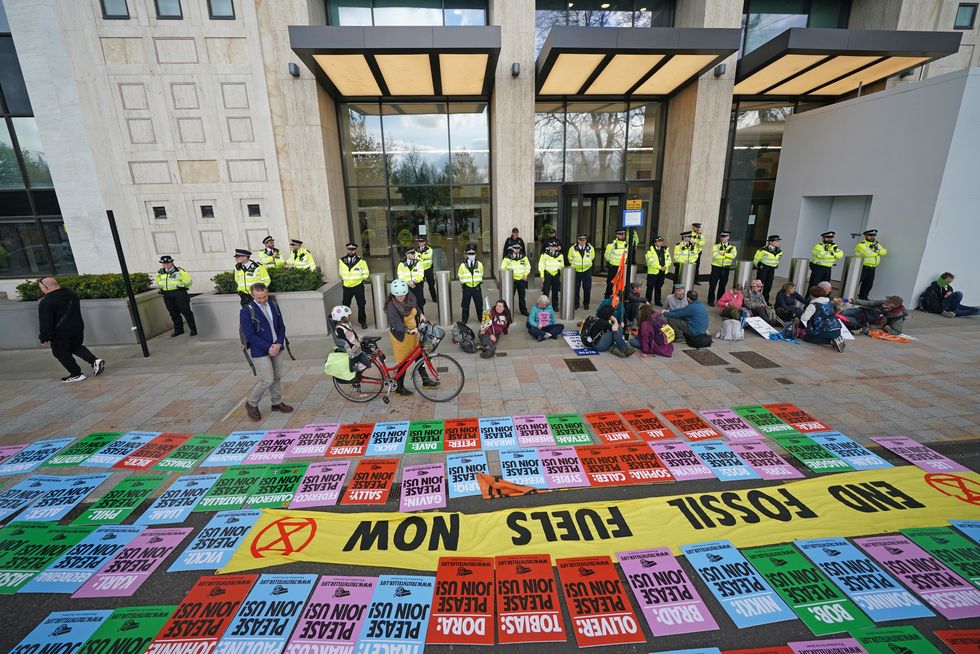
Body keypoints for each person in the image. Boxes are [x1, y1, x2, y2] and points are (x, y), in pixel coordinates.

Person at [240, 283, 293, 420]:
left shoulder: (274, 304)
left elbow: (281, 326)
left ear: (267, 292)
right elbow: (250, 335)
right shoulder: (246, 311)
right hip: (261, 350)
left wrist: (279, 343)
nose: (263, 300)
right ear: (252, 295)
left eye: (265, 297)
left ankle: (276, 403)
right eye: (259, 298)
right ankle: (251, 403)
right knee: (267, 379)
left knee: (277, 376)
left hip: (277, 347)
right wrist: (269, 347)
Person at [37, 277, 105, 383]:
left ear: (46, 287)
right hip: (78, 328)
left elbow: (46, 321)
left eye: (40, 287)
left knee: (60, 353)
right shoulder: (71, 294)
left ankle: (76, 374)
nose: (40, 289)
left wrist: (44, 337)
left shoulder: (47, 301)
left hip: (60, 332)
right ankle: (94, 361)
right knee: (75, 346)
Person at [385, 279, 436, 396]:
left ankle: (426, 380)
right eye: (397, 295)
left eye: (403, 294)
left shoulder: (409, 298)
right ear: (393, 294)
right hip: (401, 336)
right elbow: (396, 323)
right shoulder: (392, 306)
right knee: (404, 361)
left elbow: (415, 306)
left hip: (413, 334)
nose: (401, 297)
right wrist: (408, 330)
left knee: (418, 356)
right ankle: (399, 386)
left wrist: (421, 314)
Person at [156, 255, 196, 337]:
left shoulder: (180, 271)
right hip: (167, 294)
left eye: (168, 263)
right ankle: (179, 330)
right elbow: (158, 282)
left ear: (172, 262)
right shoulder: (160, 272)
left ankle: (194, 329)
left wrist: (180, 285)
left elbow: (188, 281)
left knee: (186, 312)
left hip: (179, 293)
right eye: (164, 263)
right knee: (173, 313)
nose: (166, 265)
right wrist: (160, 288)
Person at [801, 285, 845, 352]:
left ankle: (831, 341)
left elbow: (804, 318)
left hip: (824, 330)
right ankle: (838, 338)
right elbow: (835, 311)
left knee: (807, 338)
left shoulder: (813, 305)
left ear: (813, 295)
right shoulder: (829, 302)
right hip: (837, 328)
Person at [329, 305, 371, 374]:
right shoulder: (339, 328)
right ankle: (355, 363)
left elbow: (352, 331)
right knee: (354, 354)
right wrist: (351, 345)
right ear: (341, 317)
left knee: (361, 350)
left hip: (353, 341)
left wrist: (357, 337)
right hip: (348, 345)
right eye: (347, 315)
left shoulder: (347, 323)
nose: (349, 317)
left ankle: (362, 359)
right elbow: (343, 339)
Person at [338, 242, 370, 329]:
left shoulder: (361, 261)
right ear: (347, 250)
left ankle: (363, 322)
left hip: (358, 286)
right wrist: (345, 280)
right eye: (349, 249)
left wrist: (361, 280)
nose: (351, 251)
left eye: (353, 249)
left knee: (361, 304)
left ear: (355, 250)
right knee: (345, 305)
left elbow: (366, 272)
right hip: (347, 286)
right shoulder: (341, 260)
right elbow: (341, 272)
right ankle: (345, 322)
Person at [842, 296, 908, 335]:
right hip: (860, 312)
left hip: (863, 322)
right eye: (886, 300)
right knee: (842, 313)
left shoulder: (897, 317)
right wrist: (851, 301)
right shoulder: (882, 303)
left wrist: (885, 326)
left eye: (888, 302)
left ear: (894, 305)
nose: (885, 302)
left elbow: (897, 331)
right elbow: (869, 303)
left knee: (843, 319)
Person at [854, 229, 887, 300]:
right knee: (856, 283)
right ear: (865, 236)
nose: (872, 237)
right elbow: (868, 254)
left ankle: (863, 298)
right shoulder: (861, 245)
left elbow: (884, 251)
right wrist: (878, 251)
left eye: (874, 235)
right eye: (870, 235)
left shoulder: (876, 244)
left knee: (868, 284)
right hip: (862, 267)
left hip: (872, 267)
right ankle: (850, 297)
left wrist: (876, 251)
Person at [707, 231, 737, 306]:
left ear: (728, 237)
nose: (722, 238)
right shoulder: (716, 246)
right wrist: (727, 256)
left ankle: (720, 300)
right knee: (713, 284)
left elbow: (733, 256)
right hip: (716, 267)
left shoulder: (732, 247)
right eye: (721, 237)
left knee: (722, 285)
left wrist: (723, 253)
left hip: (726, 268)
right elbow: (716, 255)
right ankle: (710, 300)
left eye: (724, 237)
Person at [501, 242, 531, 315]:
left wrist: (525, 275)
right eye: (515, 248)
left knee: (522, 297)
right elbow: (503, 268)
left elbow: (528, 267)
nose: (517, 250)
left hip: (521, 280)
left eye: (518, 248)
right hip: (512, 280)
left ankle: (523, 310)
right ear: (512, 249)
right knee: (509, 297)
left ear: (520, 249)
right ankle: (507, 311)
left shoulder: (524, 257)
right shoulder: (507, 257)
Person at [457, 245, 484, 325]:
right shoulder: (463, 265)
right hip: (467, 288)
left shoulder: (479, 264)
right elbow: (460, 275)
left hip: (476, 287)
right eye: (470, 254)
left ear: (475, 254)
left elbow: (481, 273)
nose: (471, 255)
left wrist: (478, 281)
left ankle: (481, 318)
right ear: (467, 254)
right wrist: (463, 282)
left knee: (479, 304)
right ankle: (464, 319)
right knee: (465, 305)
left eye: (473, 253)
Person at [568, 234, 595, 310]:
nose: (582, 242)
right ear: (578, 240)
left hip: (587, 270)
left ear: (586, 241)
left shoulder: (590, 248)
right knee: (576, 288)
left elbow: (592, 257)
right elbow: (569, 258)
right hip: (576, 271)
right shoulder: (572, 248)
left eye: (584, 240)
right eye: (580, 240)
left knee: (587, 288)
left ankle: (586, 303)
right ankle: (576, 304)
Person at [753, 235, 782, 301]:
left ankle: (765, 300)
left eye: (778, 241)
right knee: (759, 284)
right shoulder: (763, 250)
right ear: (771, 242)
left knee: (768, 285)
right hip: (763, 268)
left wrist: (775, 265)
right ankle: (756, 299)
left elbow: (777, 259)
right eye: (776, 241)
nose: (778, 243)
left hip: (772, 269)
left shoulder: (779, 251)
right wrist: (759, 266)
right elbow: (756, 259)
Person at [644, 235, 671, 306]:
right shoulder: (650, 251)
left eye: (661, 241)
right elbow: (650, 262)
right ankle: (648, 301)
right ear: (654, 243)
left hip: (662, 271)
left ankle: (657, 301)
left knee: (659, 287)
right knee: (650, 287)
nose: (660, 243)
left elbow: (668, 259)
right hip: (653, 272)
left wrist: (665, 266)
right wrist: (660, 267)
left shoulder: (665, 250)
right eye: (658, 241)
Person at [604, 229, 629, 298]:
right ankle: (607, 297)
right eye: (620, 234)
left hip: (621, 267)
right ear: (617, 235)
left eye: (623, 234)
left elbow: (626, 255)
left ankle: (617, 298)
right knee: (610, 283)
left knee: (620, 284)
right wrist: (612, 262)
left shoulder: (626, 244)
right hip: (613, 267)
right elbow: (607, 256)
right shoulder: (611, 245)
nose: (622, 236)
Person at [538, 240, 564, 308]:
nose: (553, 248)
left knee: (555, 291)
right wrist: (542, 276)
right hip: (547, 274)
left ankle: (555, 305)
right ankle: (544, 305)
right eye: (552, 246)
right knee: (546, 291)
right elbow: (541, 265)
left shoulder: (560, 255)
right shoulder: (544, 254)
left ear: (557, 247)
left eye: (555, 247)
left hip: (556, 275)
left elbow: (562, 265)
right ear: (549, 247)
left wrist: (560, 273)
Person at [414, 235, 438, 302]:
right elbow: (416, 257)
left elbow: (428, 256)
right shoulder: (416, 250)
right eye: (419, 241)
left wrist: (420, 256)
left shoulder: (429, 249)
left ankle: (434, 298)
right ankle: (421, 298)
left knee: (431, 284)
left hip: (428, 269)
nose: (420, 243)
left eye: (421, 241)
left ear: (424, 242)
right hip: (420, 270)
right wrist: (422, 256)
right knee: (420, 286)